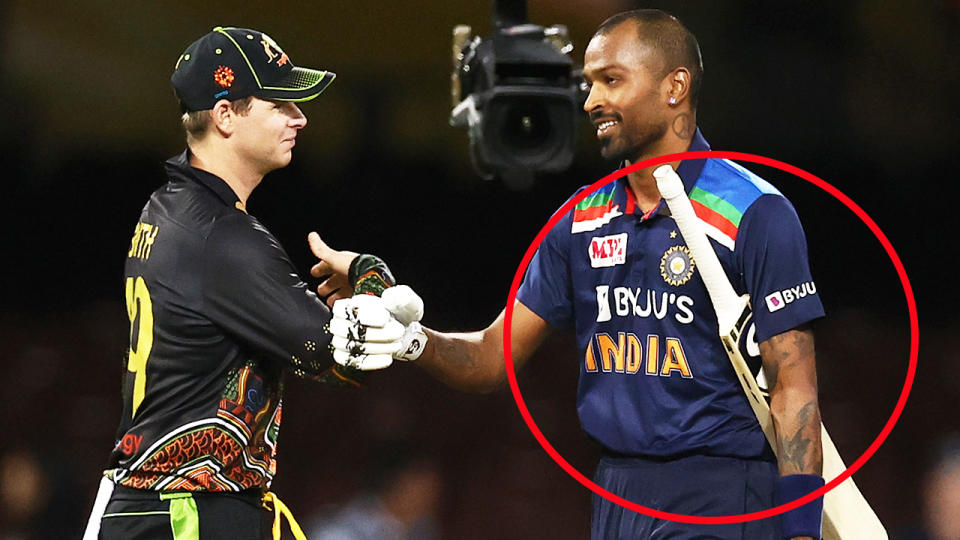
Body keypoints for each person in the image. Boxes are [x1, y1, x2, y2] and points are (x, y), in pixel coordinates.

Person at [316, 9, 826, 540]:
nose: (589, 102)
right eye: (588, 84)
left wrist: (801, 532)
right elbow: (493, 358)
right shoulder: (579, 220)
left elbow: (795, 390)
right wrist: (410, 339)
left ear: (675, 86)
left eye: (611, 80)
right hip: (616, 494)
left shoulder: (756, 211)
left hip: (722, 492)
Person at [82, 26, 417, 540]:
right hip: (183, 515)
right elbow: (344, 360)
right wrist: (369, 274)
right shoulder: (220, 236)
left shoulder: (168, 209)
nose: (299, 117)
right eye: (279, 102)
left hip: (155, 508)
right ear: (225, 116)